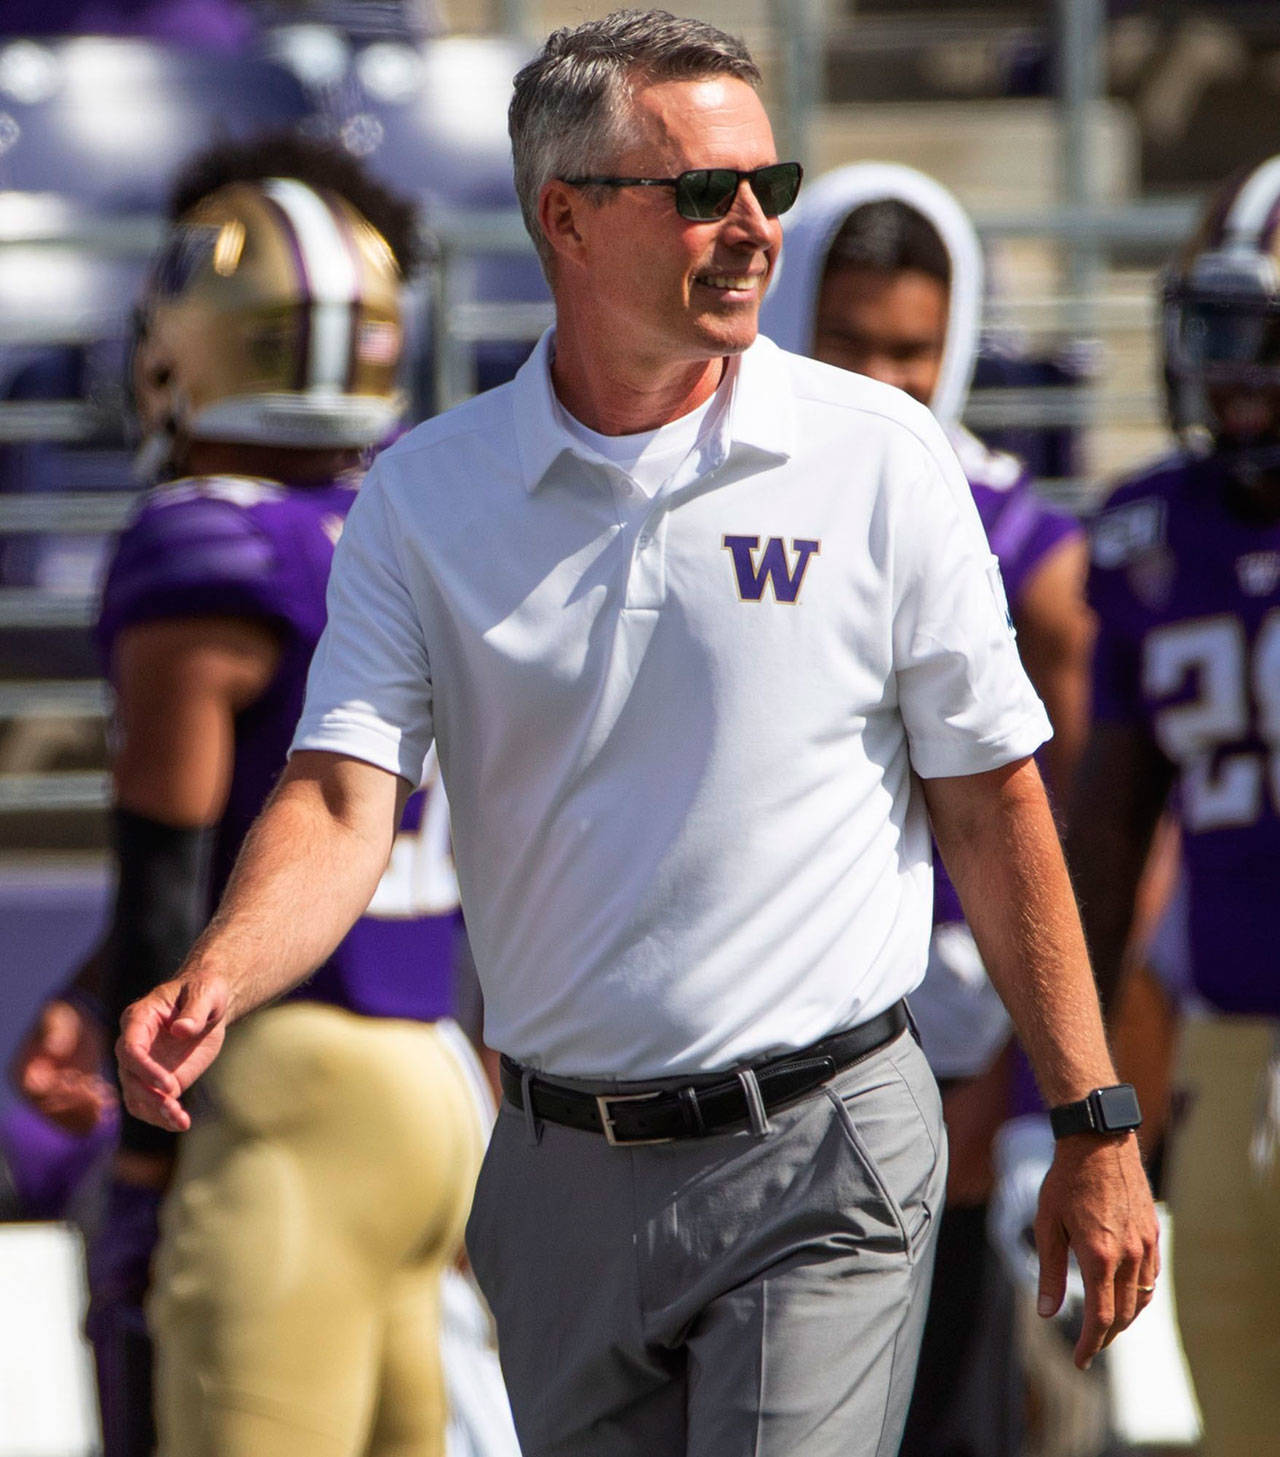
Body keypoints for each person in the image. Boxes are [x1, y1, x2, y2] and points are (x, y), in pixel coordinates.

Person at [117, 13, 1158, 1457]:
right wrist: (218, 973)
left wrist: (1095, 1119)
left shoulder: (884, 457)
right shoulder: (425, 498)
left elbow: (996, 803)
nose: (751, 227)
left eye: (767, 185)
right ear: (565, 219)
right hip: (553, 1172)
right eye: (700, 191)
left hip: (826, 1145)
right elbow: (343, 798)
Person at [15, 132, 497, 1457]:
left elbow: (175, 871)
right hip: (436, 1085)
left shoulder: (199, 541)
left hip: (284, 1087)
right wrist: (89, 988)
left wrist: (148, 1157)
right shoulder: (417, 519)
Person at [761, 162, 1093, 1457]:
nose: (889, 381)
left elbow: (1077, 829)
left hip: (958, 1019)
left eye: (916, 349)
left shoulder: (1027, 546)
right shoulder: (724, 498)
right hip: (775, 1003)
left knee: (947, 1382)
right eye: (851, 344)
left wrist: (1042, 1081)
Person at [1067, 155, 1280, 1457]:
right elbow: (1106, 828)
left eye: (1266, 342)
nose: (1234, 377)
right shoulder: (1154, 531)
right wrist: (1087, 1089)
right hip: (1223, 1040)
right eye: (1218, 335)